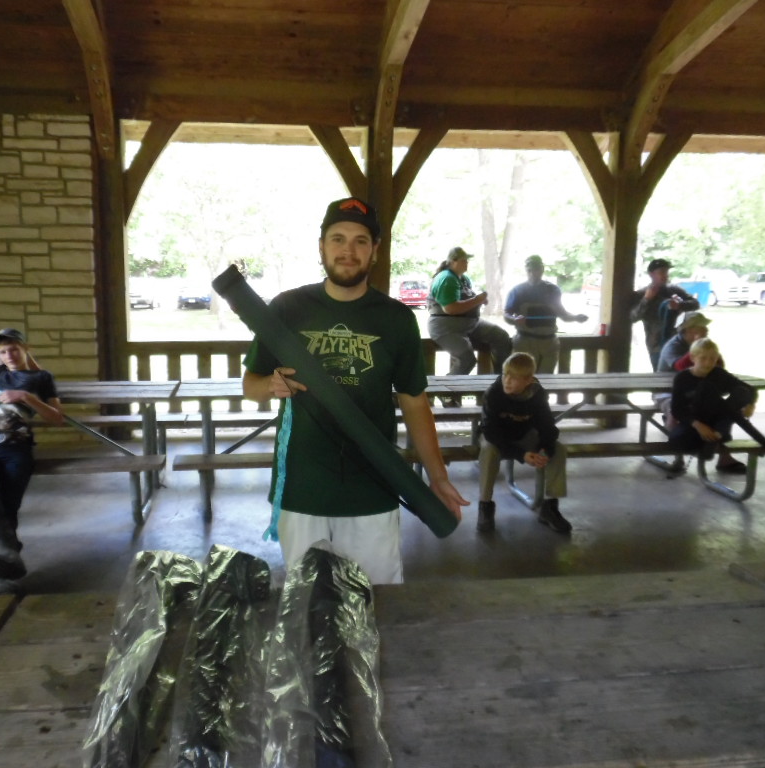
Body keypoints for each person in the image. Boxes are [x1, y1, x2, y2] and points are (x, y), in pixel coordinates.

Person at [242, 197, 468, 585]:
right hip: (303, 487)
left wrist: (438, 476)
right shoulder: (287, 308)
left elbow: (414, 401)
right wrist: (270, 385)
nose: (348, 250)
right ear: (321, 246)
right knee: (307, 600)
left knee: (377, 596)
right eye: (338, 239)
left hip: (374, 485)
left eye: (360, 241)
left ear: (374, 251)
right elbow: (251, 386)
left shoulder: (396, 319)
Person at [0, 328, 64, 596]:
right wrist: (3, 348)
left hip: (16, 446)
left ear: (25, 349)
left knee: (9, 505)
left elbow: (57, 417)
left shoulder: (42, 378)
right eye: (2, 351)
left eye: (14, 349)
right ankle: (9, 553)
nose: (8, 355)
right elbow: (1, 354)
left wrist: (26, 397)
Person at [477, 352, 573, 535]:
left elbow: (548, 428)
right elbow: (490, 432)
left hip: (525, 436)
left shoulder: (537, 395)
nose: (507, 381)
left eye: (514, 378)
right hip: (497, 438)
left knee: (558, 449)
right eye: (505, 374)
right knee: (488, 450)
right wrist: (521, 454)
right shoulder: (494, 393)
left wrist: (544, 452)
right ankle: (485, 505)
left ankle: (550, 506)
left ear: (528, 380)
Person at [427, 246, 512, 406]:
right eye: (463, 260)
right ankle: (445, 391)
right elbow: (451, 308)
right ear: (453, 261)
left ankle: (500, 382)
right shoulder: (446, 278)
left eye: (467, 260)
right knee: (466, 359)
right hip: (446, 326)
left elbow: (468, 301)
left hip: (470, 323)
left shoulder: (463, 279)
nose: (467, 263)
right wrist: (478, 300)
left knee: (501, 337)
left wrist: (479, 301)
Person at [667, 338, 757, 470]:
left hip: (716, 419)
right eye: (703, 358)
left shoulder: (719, 374)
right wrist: (697, 424)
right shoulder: (682, 378)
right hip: (694, 420)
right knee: (677, 440)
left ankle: (717, 437)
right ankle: (713, 441)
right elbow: (677, 409)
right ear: (693, 358)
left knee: (738, 398)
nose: (708, 363)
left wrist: (750, 404)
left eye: (712, 359)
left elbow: (749, 389)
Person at [503, 254, 588, 373]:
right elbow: (506, 314)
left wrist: (576, 317)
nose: (533, 273)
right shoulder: (517, 291)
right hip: (525, 341)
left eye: (536, 269)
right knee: (522, 378)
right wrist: (514, 320)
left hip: (549, 342)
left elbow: (562, 314)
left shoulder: (553, 290)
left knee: (545, 379)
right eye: (529, 270)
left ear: (542, 269)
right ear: (526, 270)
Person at [630, 258, 700, 369]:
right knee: (660, 375)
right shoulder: (641, 294)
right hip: (657, 346)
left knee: (682, 374)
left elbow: (696, 304)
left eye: (667, 272)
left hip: (679, 343)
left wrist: (680, 305)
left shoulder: (675, 290)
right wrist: (647, 299)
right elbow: (633, 317)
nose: (665, 275)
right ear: (651, 275)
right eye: (661, 272)